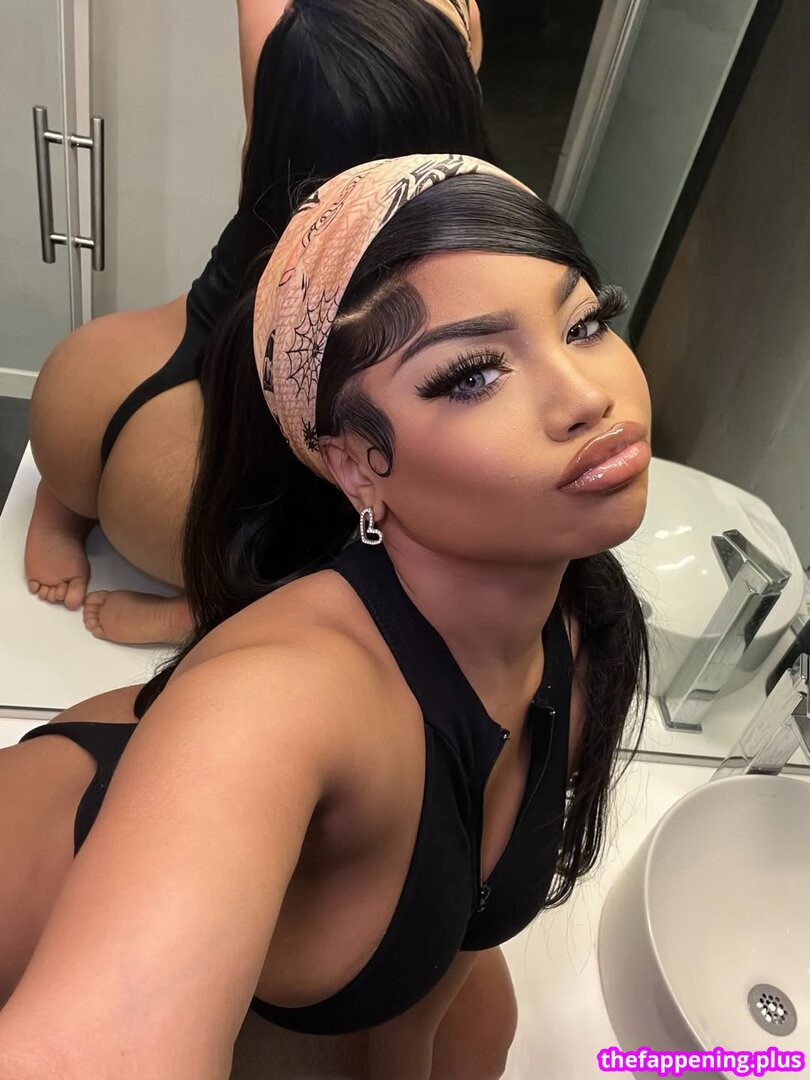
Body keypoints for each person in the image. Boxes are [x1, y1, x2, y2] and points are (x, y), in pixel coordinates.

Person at [0, 154, 650, 1079]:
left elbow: (453, 943)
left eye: (584, 323)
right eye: (473, 374)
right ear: (351, 464)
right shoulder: (272, 701)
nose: (588, 396)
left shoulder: (583, 621)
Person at [23, 0, 489, 647]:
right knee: (387, 536)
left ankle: (113, 546)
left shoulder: (292, 30)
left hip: (173, 411)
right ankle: (191, 598)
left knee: (86, 391)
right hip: (222, 451)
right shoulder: (442, 32)